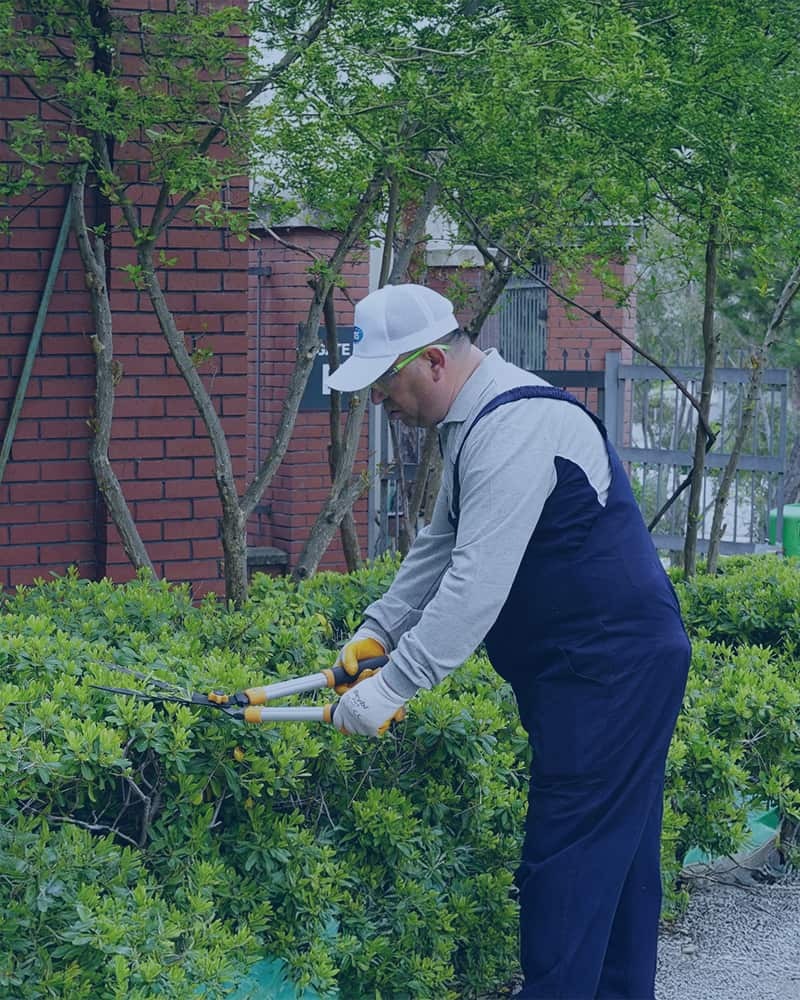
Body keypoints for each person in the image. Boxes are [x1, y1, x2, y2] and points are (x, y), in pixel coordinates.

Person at [326, 282, 691, 999]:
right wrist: (378, 630)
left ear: (431, 361)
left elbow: (474, 585)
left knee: (567, 866)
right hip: (599, 668)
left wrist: (394, 688)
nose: (378, 402)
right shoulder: (476, 419)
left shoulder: (513, 426)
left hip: (608, 673)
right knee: (615, 865)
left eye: (384, 383)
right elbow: (442, 543)